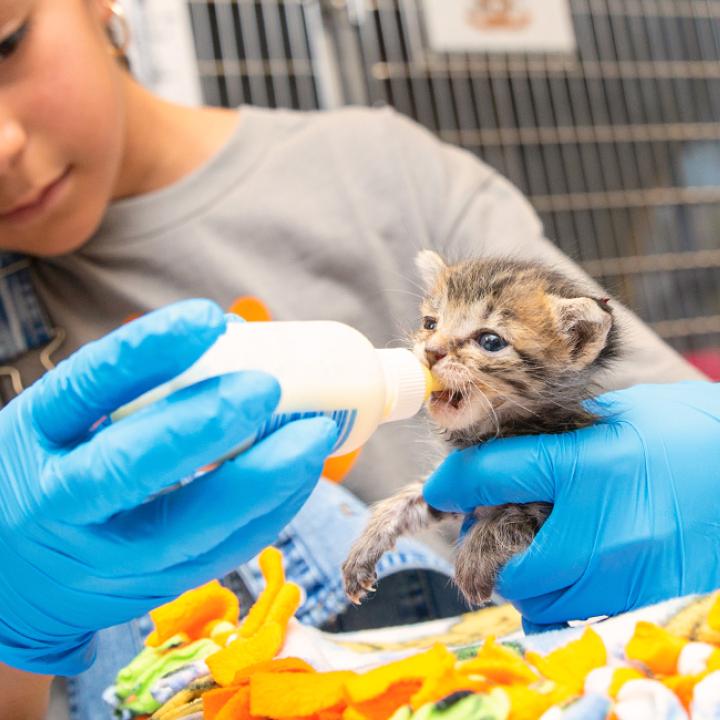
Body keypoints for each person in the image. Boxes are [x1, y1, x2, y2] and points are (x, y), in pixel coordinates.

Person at [0, 0, 713, 717]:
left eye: (7, 46)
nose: (1, 143)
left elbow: (646, 411)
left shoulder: (383, 171)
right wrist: (9, 626)